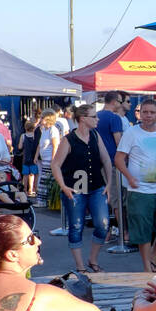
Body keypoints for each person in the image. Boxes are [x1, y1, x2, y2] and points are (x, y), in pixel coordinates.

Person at [115, 98, 156, 273]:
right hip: (140, 191)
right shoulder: (132, 133)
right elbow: (119, 158)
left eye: (152, 112)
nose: (148, 116)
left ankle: (154, 251)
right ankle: (147, 270)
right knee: (142, 231)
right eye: (145, 112)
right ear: (139, 114)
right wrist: (129, 177)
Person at [52, 104, 114, 273]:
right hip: (75, 189)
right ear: (83, 119)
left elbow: (107, 160)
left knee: (103, 224)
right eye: (94, 116)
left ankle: (92, 259)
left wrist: (109, 184)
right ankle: (80, 266)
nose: (97, 119)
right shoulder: (68, 139)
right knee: (76, 226)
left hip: (96, 187)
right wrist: (63, 186)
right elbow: (56, 164)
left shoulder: (95, 135)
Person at [20, 117, 40, 197]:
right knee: (33, 174)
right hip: (33, 157)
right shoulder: (35, 136)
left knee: (25, 175)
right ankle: (31, 189)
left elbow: (20, 147)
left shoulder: (23, 136)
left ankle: (24, 189)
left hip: (25, 158)